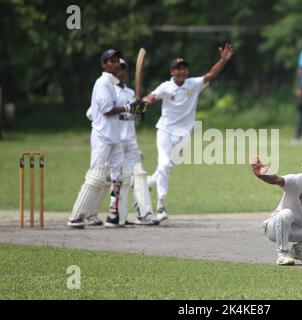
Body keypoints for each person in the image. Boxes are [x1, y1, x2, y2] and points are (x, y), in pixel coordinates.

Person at [143, 43, 234, 222]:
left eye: (184, 68)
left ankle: (148, 183)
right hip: (165, 131)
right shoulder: (165, 87)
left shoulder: (193, 84)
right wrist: (142, 102)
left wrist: (222, 60)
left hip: (184, 133)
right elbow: (151, 97)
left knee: (168, 165)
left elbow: (211, 74)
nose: (181, 71)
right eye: (178, 69)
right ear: (172, 72)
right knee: (163, 164)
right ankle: (161, 205)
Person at [68, 49, 145, 228]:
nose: (116, 63)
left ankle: (115, 215)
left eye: (117, 60)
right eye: (111, 61)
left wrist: (134, 111)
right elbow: (106, 110)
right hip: (102, 137)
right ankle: (77, 216)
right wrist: (128, 107)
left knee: (121, 177)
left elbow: (116, 113)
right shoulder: (102, 83)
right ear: (104, 64)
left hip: (114, 138)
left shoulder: (111, 85)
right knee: (96, 175)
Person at [85, 58, 158, 226]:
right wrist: (125, 112)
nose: (121, 71)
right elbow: (92, 114)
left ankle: (143, 213)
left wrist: (139, 111)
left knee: (138, 175)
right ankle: (96, 214)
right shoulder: (107, 89)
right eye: (119, 68)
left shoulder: (131, 93)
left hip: (130, 140)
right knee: (106, 177)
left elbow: (135, 118)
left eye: (124, 68)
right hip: (112, 140)